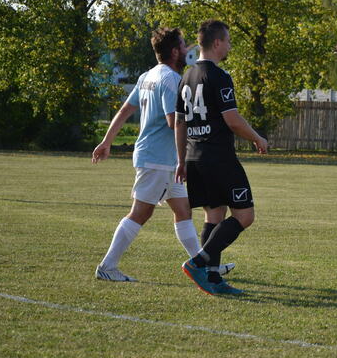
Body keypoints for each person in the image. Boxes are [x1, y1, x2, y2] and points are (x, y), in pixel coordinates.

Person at [92, 27, 233, 282]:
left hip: (165, 160)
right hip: (157, 159)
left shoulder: (148, 75)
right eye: (183, 45)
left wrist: (107, 140)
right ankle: (107, 266)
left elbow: (125, 110)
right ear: (174, 51)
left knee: (183, 211)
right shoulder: (170, 79)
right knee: (140, 213)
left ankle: (201, 264)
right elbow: (173, 121)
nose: (187, 49)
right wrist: (207, 130)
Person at [174, 20, 268, 295]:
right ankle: (199, 263)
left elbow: (179, 123)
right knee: (245, 215)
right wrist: (257, 138)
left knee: (214, 216)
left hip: (195, 157)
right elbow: (233, 120)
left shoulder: (186, 77)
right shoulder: (219, 76)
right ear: (216, 43)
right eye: (227, 41)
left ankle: (213, 280)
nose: (228, 46)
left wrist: (181, 160)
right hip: (219, 157)